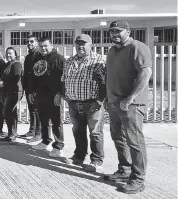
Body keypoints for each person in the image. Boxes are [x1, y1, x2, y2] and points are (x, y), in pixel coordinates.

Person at [103, 20, 152, 194]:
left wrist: (130, 97)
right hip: (114, 102)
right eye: (112, 31)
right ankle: (125, 170)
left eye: (118, 31)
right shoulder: (112, 51)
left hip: (131, 104)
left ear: (128, 32)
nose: (114, 34)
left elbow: (145, 73)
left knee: (134, 141)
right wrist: (107, 98)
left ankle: (138, 179)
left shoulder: (138, 47)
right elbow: (111, 76)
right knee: (118, 137)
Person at [60, 34, 106, 172]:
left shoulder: (98, 60)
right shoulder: (69, 61)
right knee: (78, 130)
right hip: (74, 103)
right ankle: (79, 156)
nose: (80, 46)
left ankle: (96, 160)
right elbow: (63, 79)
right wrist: (66, 96)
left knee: (95, 133)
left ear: (90, 45)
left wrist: (99, 100)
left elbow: (104, 83)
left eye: (84, 43)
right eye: (78, 43)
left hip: (93, 104)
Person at [30, 37, 66, 159]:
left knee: (56, 122)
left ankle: (58, 146)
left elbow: (64, 78)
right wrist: (32, 91)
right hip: (41, 95)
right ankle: (45, 141)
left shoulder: (59, 59)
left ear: (51, 45)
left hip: (54, 95)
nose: (43, 48)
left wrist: (60, 93)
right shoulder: (37, 58)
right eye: (41, 46)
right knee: (43, 120)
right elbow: (34, 77)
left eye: (46, 46)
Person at [0, 47, 23, 142]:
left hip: (15, 91)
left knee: (8, 112)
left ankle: (12, 134)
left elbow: (16, 77)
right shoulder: (7, 64)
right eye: (7, 53)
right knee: (9, 112)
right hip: (8, 92)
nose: (8, 55)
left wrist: (5, 83)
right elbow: (2, 77)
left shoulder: (16, 64)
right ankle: (11, 133)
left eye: (10, 53)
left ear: (15, 54)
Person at [21, 35, 43, 143]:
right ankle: (32, 130)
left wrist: (36, 89)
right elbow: (26, 73)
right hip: (29, 87)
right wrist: (25, 87)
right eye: (27, 42)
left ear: (37, 43)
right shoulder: (28, 57)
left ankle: (38, 133)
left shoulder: (40, 55)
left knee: (37, 110)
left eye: (31, 41)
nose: (29, 44)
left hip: (37, 88)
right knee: (31, 110)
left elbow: (39, 73)